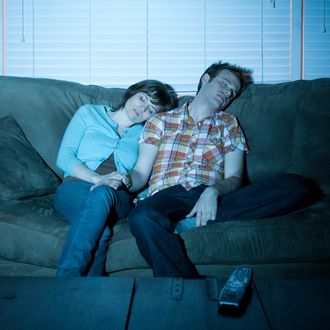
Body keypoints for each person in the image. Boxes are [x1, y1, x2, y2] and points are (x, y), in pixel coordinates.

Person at [106, 61, 320, 278]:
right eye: (225, 84)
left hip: (212, 197)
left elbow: (235, 178)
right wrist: (124, 179)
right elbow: (141, 173)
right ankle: (189, 286)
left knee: (298, 186)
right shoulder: (160, 121)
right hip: (166, 196)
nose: (228, 93)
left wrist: (213, 191)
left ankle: (185, 223)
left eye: (233, 92)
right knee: (141, 216)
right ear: (205, 79)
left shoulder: (229, 124)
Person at [53, 79, 178, 277]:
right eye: (142, 98)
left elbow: (142, 174)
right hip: (74, 187)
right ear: (132, 93)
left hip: (117, 197)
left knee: (104, 193)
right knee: (100, 232)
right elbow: (64, 157)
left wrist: (125, 180)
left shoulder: (146, 134)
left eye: (151, 109)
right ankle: (91, 296)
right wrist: (97, 179)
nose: (142, 108)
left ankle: (64, 283)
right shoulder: (89, 113)